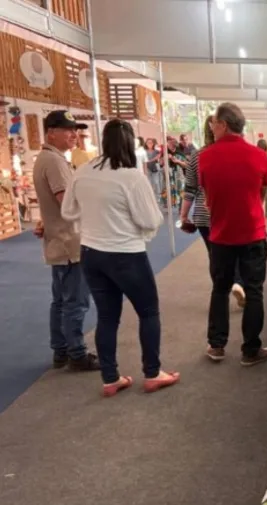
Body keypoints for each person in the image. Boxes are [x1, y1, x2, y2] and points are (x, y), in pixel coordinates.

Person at [61, 119, 179, 397]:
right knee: (148, 312)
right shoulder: (131, 176)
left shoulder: (83, 171)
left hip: (91, 253)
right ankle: (152, 372)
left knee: (107, 316)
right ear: (130, 144)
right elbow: (150, 219)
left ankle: (110, 378)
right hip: (126, 253)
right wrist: (138, 230)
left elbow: (68, 211)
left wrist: (92, 219)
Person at [198, 102, 267, 366]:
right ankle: (251, 350)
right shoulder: (259, 156)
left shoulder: (205, 157)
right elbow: (263, 191)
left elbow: (208, 195)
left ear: (223, 125)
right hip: (253, 233)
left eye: (213, 123)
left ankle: (217, 345)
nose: (212, 127)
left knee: (220, 289)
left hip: (220, 236)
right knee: (254, 292)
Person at [32, 110, 99, 371]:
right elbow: (67, 204)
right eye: (68, 129)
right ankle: (76, 353)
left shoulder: (48, 158)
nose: (74, 135)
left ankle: (61, 350)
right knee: (75, 302)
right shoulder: (55, 162)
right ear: (51, 132)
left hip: (59, 240)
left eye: (75, 129)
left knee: (60, 300)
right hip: (69, 242)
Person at [181, 116, 246, 307]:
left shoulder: (197, 156)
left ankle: (221, 291)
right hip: (228, 212)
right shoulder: (232, 153)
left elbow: (190, 189)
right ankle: (237, 283)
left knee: (214, 255)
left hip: (203, 214)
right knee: (235, 252)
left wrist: (184, 216)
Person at [162, 136, 187, 210]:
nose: (170, 144)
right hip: (169, 175)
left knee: (181, 190)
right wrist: (165, 158)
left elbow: (185, 164)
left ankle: (181, 208)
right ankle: (168, 205)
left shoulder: (180, 152)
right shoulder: (165, 152)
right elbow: (160, 163)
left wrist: (177, 161)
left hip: (179, 175)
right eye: (169, 143)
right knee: (167, 190)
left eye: (172, 142)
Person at [144, 138, 163, 205]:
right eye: (148, 143)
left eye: (151, 143)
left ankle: (158, 196)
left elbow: (158, 157)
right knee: (149, 183)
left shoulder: (156, 151)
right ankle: (151, 197)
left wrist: (149, 161)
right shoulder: (144, 151)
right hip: (147, 169)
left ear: (153, 143)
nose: (149, 144)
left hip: (155, 168)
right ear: (146, 144)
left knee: (156, 182)